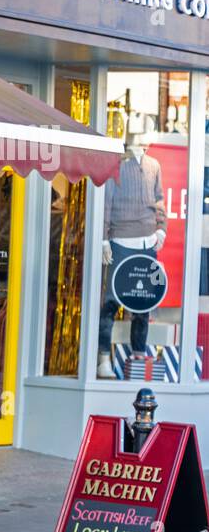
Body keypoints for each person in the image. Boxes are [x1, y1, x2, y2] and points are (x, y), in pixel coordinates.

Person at [97, 136, 166, 378]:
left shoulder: (154, 165)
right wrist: (105, 238)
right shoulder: (116, 165)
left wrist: (161, 228)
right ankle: (103, 358)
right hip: (121, 239)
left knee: (143, 303)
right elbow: (106, 202)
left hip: (147, 241)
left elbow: (159, 199)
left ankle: (138, 356)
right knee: (111, 301)